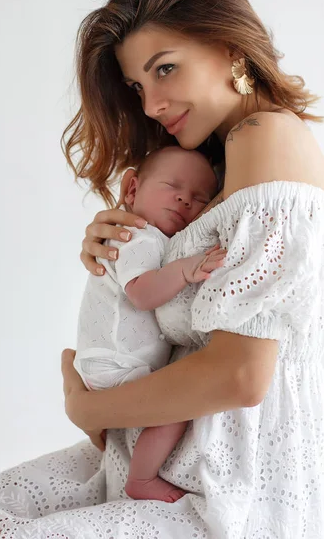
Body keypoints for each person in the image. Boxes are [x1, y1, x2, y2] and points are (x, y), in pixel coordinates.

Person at [0, 0, 324, 539]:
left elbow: (241, 377)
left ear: (229, 47)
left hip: (222, 490)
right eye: (138, 87)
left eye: (165, 69)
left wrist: (88, 409)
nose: (150, 106)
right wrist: (125, 249)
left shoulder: (264, 137)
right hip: (153, 458)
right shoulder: (225, 167)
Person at [74, 144, 227, 503]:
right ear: (132, 189)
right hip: (116, 364)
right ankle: (141, 478)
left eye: (199, 198)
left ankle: (72, 376)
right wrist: (187, 270)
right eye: (172, 186)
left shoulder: (153, 239)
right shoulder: (137, 236)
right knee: (177, 405)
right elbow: (142, 293)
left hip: (112, 360)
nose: (184, 200)